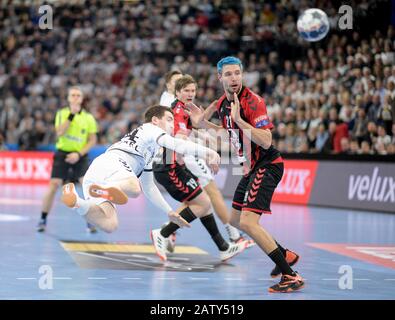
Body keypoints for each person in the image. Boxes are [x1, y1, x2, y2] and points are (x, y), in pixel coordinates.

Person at [61, 105, 242, 264]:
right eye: (169, 119)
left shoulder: (149, 148)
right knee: (133, 187)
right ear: (155, 120)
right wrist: (207, 152)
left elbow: (149, 187)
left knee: (110, 224)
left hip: (99, 174)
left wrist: (169, 211)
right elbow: (175, 144)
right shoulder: (150, 129)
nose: (172, 124)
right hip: (113, 164)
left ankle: (76, 201)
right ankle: (107, 188)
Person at [187, 56, 303, 293]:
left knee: (249, 222)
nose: (234, 79)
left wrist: (240, 120)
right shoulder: (222, 103)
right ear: (220, 77)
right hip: (249, 168)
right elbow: (224, 129)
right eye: (228, 74)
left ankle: (290, 276)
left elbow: (267, 140)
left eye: (237, 73)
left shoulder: (253, 102)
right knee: (236, 219)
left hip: (267, 164)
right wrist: (202, 123)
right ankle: (285, 255)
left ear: (242, 75)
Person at [151, 79, 249, 262]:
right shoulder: (178, 111)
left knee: (203, 203)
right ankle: (163, 233)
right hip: (168, 168)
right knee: (202, 202)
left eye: (193, 90)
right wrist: (207, 153)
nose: (190, 94)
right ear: (178, 93)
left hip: (175, 166)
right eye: (186, 90)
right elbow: (180, 140)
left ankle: (224, 247)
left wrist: (213, 127)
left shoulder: (184, 109)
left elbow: (197, 128)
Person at [37, 86, 98, 233]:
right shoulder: (62, 113)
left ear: (82, 99)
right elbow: (59, 132)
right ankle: (43, 219)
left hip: (80, 155)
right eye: (73, 95)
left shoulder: (88, 118)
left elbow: (92, 140)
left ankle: (91, 221)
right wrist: (71, 115)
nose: (76, 97)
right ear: (69, 98)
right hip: (62, 153)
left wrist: (78, 154)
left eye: (78, 95)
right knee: (54, 184)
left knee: (87, 185)